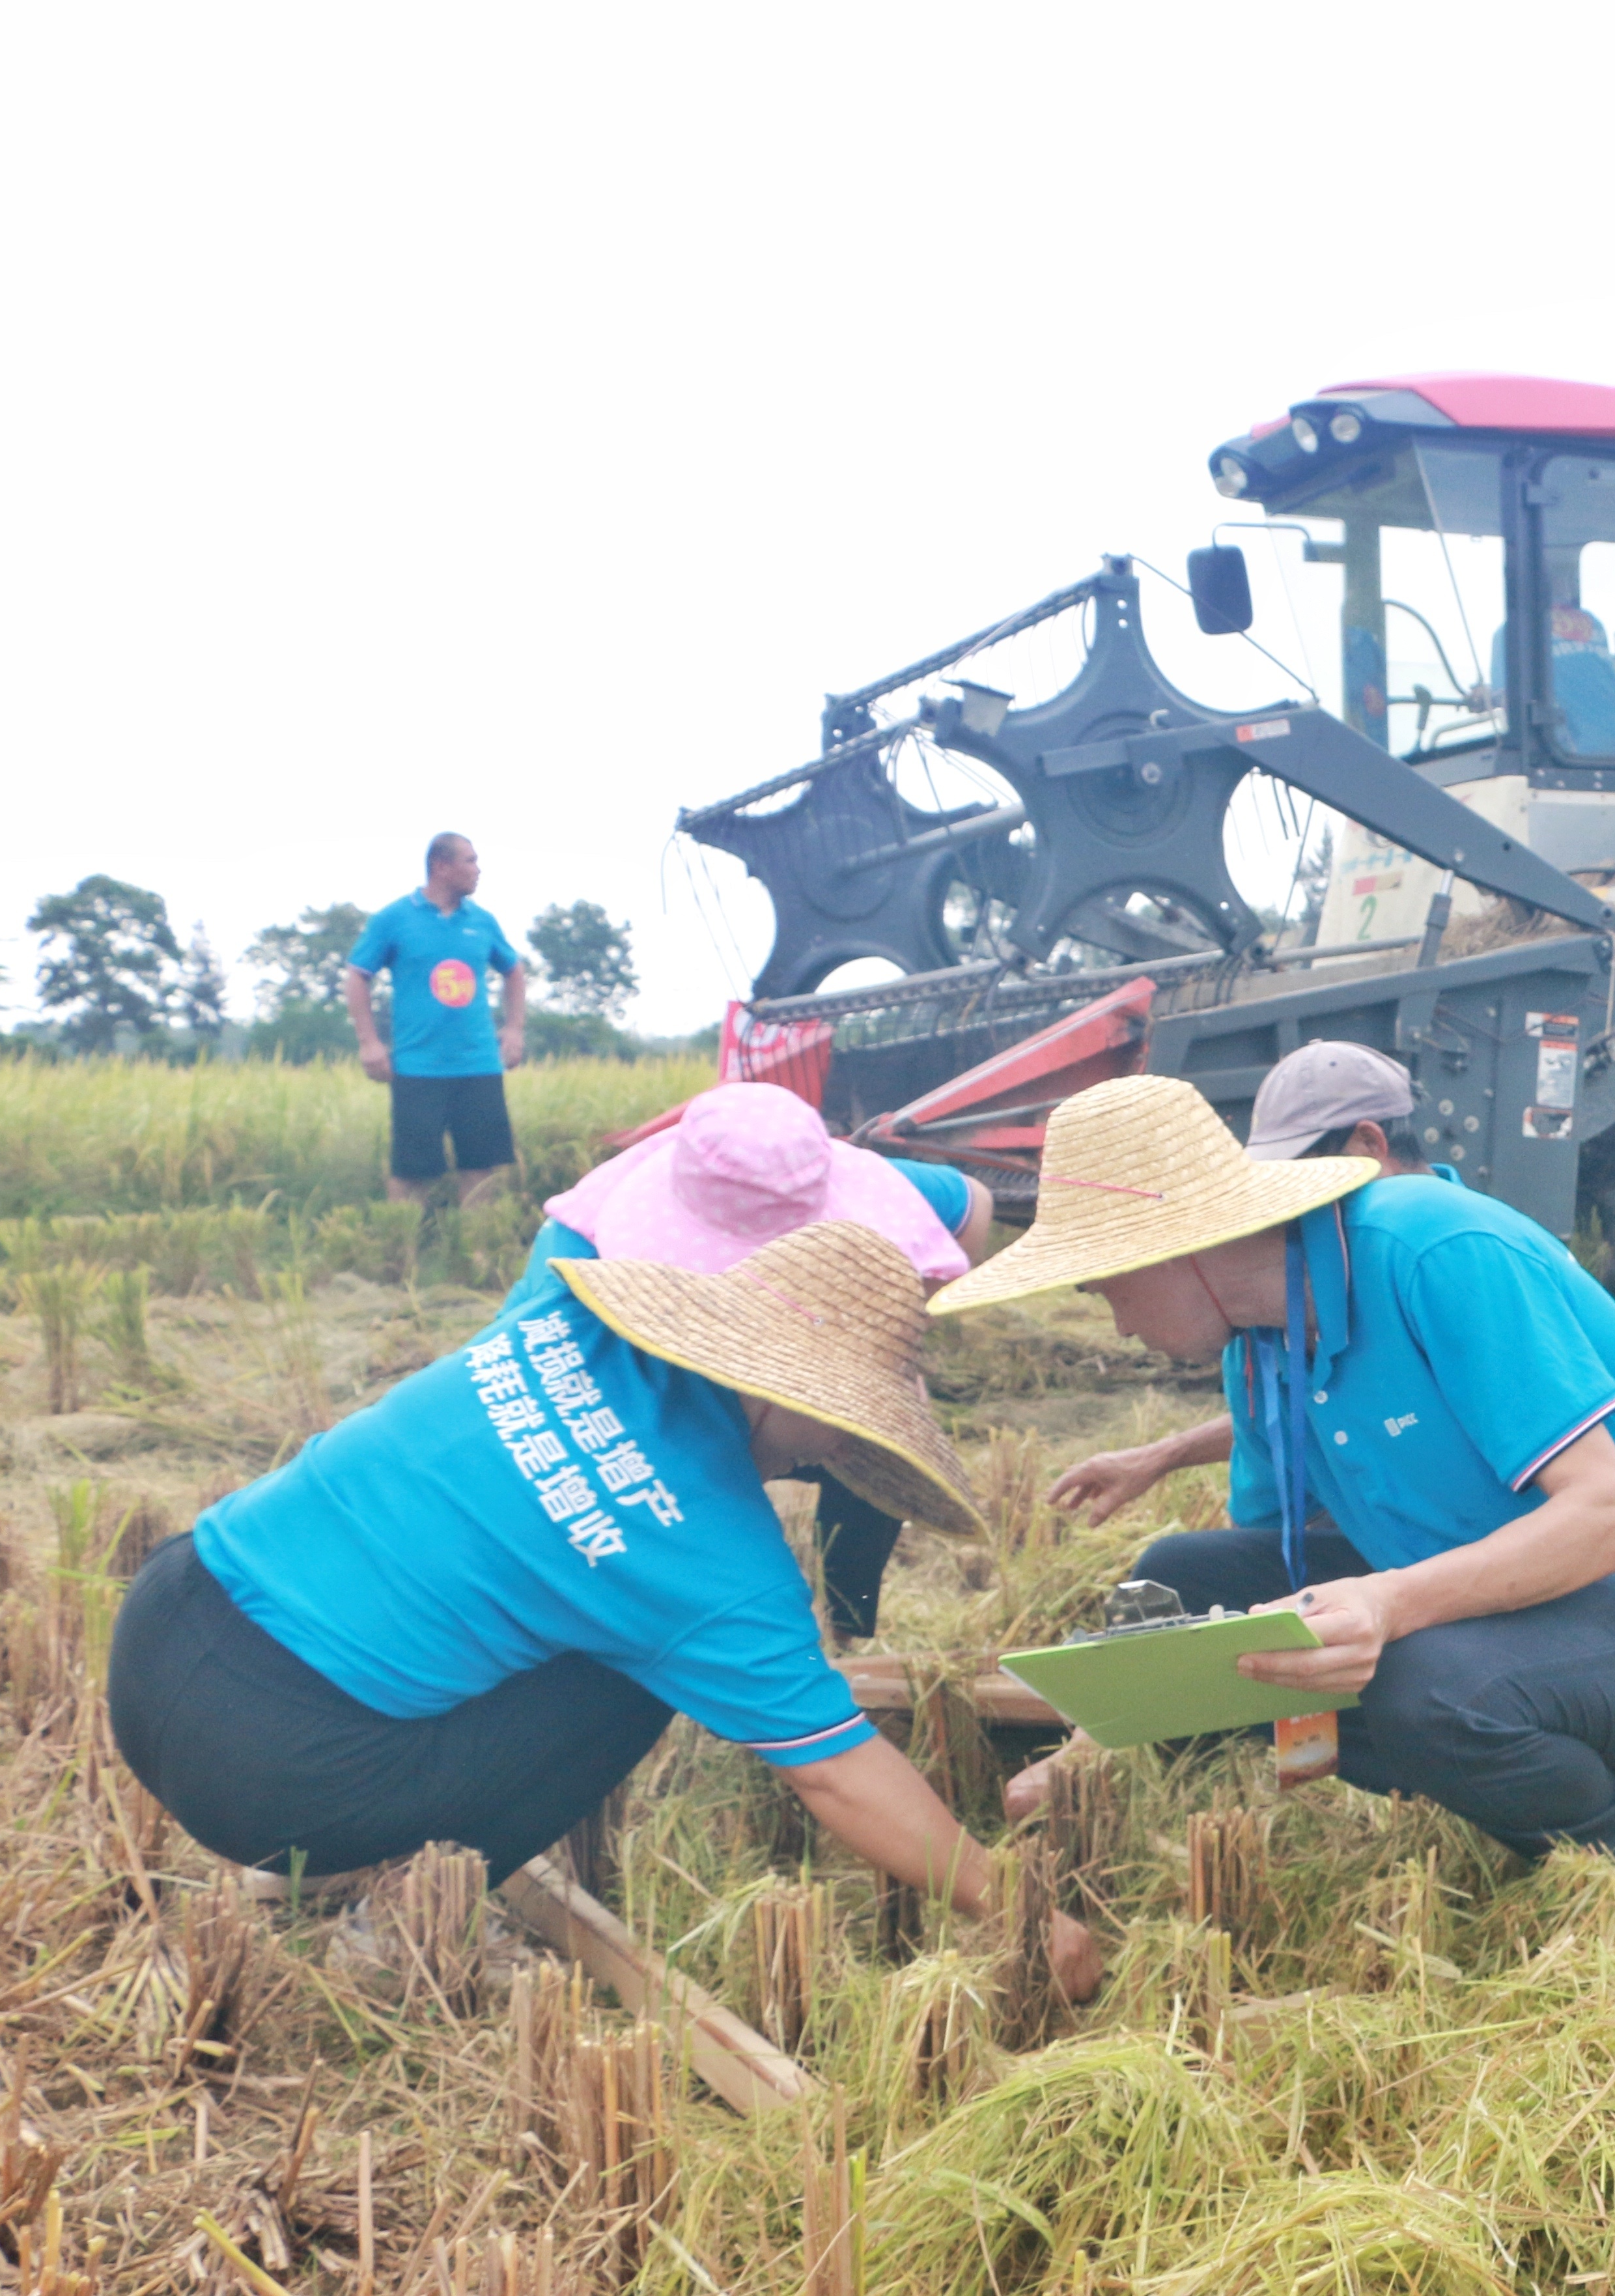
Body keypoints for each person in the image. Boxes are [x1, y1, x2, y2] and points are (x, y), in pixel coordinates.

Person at [104, 1222, 1093, 1996]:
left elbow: (586, 1218)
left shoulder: (562, 1314)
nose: (826, 1458)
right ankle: (396, 1924)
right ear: (789, 1390)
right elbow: (836, 1774)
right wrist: (1020, 1912)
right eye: (838, 1427)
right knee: (625, 1684)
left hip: (160, 1621)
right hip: (274, 1777)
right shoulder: (713, 1559)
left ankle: (305, 1877)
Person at [939, 1075, 1615, 1926]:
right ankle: (1386, 1787)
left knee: (1417, 1681)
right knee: (1185, 1584)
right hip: (1492, 1610)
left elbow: (1608, 1520)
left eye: (1106, 1289)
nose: (1116, 1323)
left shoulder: (1437, 1251)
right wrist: (1089, 1746)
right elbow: (1276, 1589)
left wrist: (1388, 1602)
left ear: (1171, 1248)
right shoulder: (1254, 1351)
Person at [509, 1080, 994, 1641]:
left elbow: (972, 1204)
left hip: (804, 1365)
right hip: (666, 1390)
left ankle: (847, 1626)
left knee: (873, 1444)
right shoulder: (575, 1253)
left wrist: (897, 1342)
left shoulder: (833, 1178)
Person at [1044, 1040, 1428, 1527]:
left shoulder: (1436, 1268)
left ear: (1369, 1147)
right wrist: (1164, 1454)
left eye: (1301, 1172)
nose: (1286, 1206)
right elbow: (1306, 1412)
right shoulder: (1266, 1304)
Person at [348, 833, 531, 1206]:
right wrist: (370, 1042)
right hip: (418, 1067)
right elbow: (356, 976)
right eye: (470, 861)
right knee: (411, 1173)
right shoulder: (394, 919)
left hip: (478, 1065)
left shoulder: (482, 922)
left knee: (481, 1170)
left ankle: (477, 1256)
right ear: (441, 867)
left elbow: (514, 971)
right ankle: (402, 1257)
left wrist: (514, 1029)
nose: (478, 870)